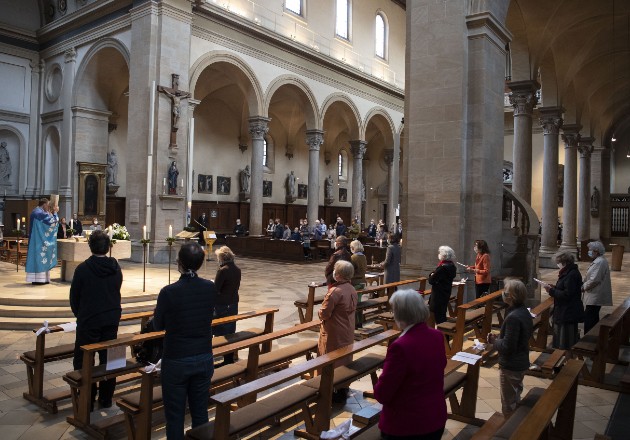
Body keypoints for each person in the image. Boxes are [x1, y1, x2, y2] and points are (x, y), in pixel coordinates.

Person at [153, 243, 217, 440]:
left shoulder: (169, 292)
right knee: (200, 413)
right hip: (204, 356)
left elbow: (158, 325)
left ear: (179, 263)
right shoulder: (210, 287)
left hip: (177, 359)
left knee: (174, 416)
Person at [374, 289, 447, 439]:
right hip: (435, 417)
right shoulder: (437, 336)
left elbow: (382, 393)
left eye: (394, 311)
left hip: (407, 425)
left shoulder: (400, 346)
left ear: (400, 314)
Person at [70, 231, 123, 409]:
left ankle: (87, 399)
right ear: (108, 248)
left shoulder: (83, 269)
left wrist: (82, 315)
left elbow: (74, 298)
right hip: (111, 320)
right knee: (111, 360)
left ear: (90, 246)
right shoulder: (116, 267)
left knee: (83, 360)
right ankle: (106, 399)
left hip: (89, 321)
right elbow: (117, 288)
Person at [486, 279, 533, 417]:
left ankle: (509, 430)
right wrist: (501, 336)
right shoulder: (523, 311)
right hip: (521, 361)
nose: (503, 293)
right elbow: (515, 338)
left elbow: (508, 347)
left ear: (511, 296)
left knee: (508, 403)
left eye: (505, 291)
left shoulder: (514, 317)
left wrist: (494, 341)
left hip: (512, 365)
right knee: (515, 395)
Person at [318, 260, 358, 403]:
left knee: (330, 360)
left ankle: (329, 391)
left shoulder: (335, 291)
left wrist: (319, 312)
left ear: (339, 274)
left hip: (333, 332)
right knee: (344, 359)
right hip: (347, 330)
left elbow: (324, 313)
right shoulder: (352, 289)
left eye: (335, 270)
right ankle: (343, 388)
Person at [543, 251, 584, 349]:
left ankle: (565, 357)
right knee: (562, 336)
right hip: (565, 309)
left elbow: (567, 295)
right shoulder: (569, 272)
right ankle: (562, 355)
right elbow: (565, 289)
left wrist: (552, 291)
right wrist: (555, 287)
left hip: (567, 310)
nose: (558, 264)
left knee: (565, 339)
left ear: (564, 262)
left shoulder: (571, 275)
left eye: (558, 262)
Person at [213, 246, 241, 365]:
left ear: (222, 258)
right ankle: (229, 358)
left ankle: (220, 356)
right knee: (230, 330)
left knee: (220, 330)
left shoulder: (223, 270)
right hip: (233, 303)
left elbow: (215, 289)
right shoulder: (237, 269)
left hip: (222, 304)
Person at [25, 198, 59, 284]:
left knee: (41, 257)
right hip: (38, 240)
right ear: (44, 204)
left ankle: (42, 279)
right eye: (47, 205)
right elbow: (52, 222)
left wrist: (51, 213)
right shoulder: (38, 213)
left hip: (38, 239)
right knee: (39, 257)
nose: (48, 207)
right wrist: (55, 213)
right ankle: (38, 280)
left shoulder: (38, 212)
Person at [581, 241, 612, 334]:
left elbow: (594, 280)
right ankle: (593, 335)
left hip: (595, 294)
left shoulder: (600, 262)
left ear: (596, 251)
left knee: (589, 317)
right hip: (594, 294)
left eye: (590, 250)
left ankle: (589, 338)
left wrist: (583, 287)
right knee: (592, 316)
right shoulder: (598, 261)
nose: (589, 252)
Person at [428, 246, 457, 325]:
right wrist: (433, 274)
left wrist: (432, 274)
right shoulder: (451, 266)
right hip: (445, 292)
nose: (439, 255)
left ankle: (444, 336)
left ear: (444, 255)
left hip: (438, 295)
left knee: (439, 318)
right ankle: (444, 335)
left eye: (440, 253)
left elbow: (431, 280)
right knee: (442, 315)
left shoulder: (442, 268)